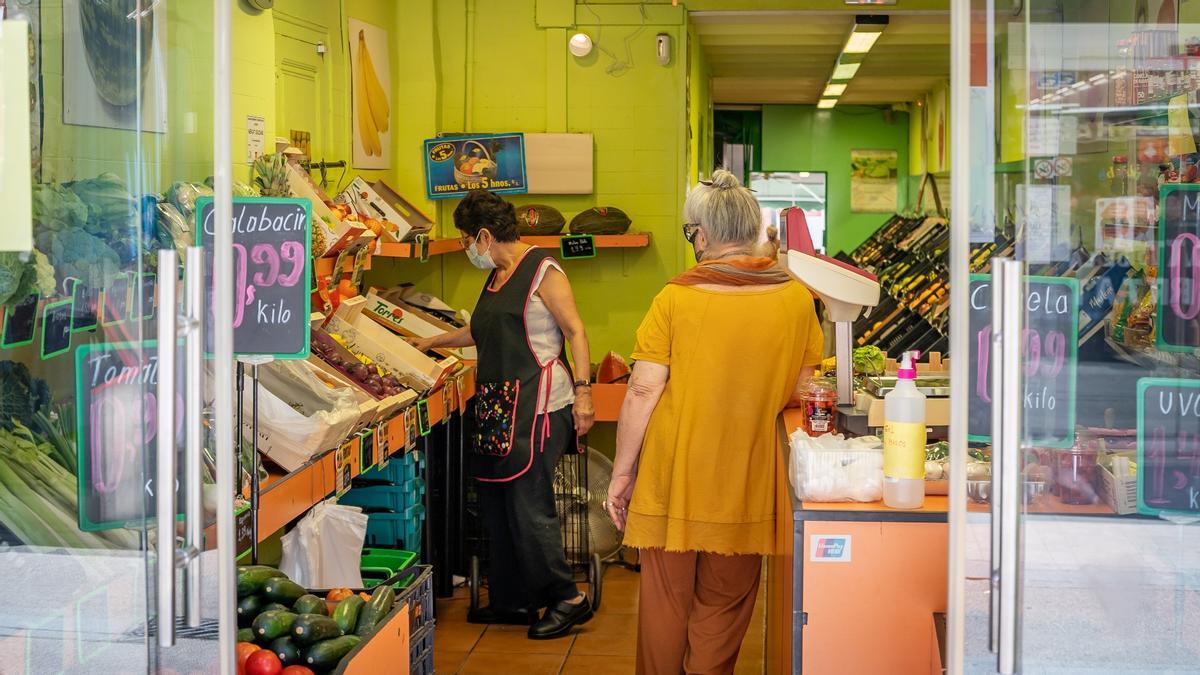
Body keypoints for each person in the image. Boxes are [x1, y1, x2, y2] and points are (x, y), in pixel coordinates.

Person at [605, 170, 824, 674]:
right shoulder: (795, 298)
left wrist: (622, 474)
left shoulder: (676, 297)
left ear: (701, 235)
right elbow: (802, 390)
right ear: (751, 229)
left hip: (673, 476)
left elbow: (642, 389)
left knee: (664, 604)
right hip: (746, 479)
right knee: (723, 609)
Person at [409, 189, 596, 640]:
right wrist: (429, 344)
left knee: (528, 504)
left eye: (465, 239)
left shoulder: (543, 271)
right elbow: (479, 329)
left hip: (542, 406)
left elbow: (576, 331)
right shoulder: (494, 275)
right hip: (498, 406)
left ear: (486, 235)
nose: (464, 247)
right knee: (496, 502)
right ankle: (513, 599)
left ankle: (568, 599)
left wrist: (586, 395)